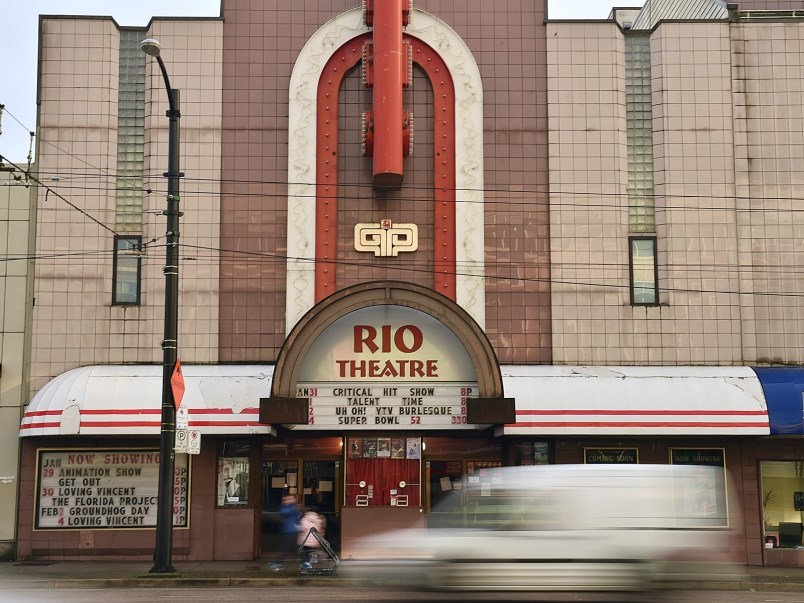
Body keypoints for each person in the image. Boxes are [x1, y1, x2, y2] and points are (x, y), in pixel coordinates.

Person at [269, 494, 300, 571]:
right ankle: (275, 563)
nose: (290, 501)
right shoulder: (291, 508)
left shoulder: (294, 508)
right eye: (288, 499)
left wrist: (285, 504)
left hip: (292, 530)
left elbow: (284, 512)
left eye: (291, 499)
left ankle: (306, 561)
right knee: (286, 548)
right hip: (289, 530)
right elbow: (283, 512)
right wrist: (285, 504)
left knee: (296, 547)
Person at [297, 505, 327, 571]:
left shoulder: (305, 518)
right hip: (314, 540)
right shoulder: (318, 519)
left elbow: (303, 528)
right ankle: (316, 555)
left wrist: (296, 527)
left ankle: (306, 563)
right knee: (309, 550)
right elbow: (319, 529)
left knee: (301, 550)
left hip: (305, 540)